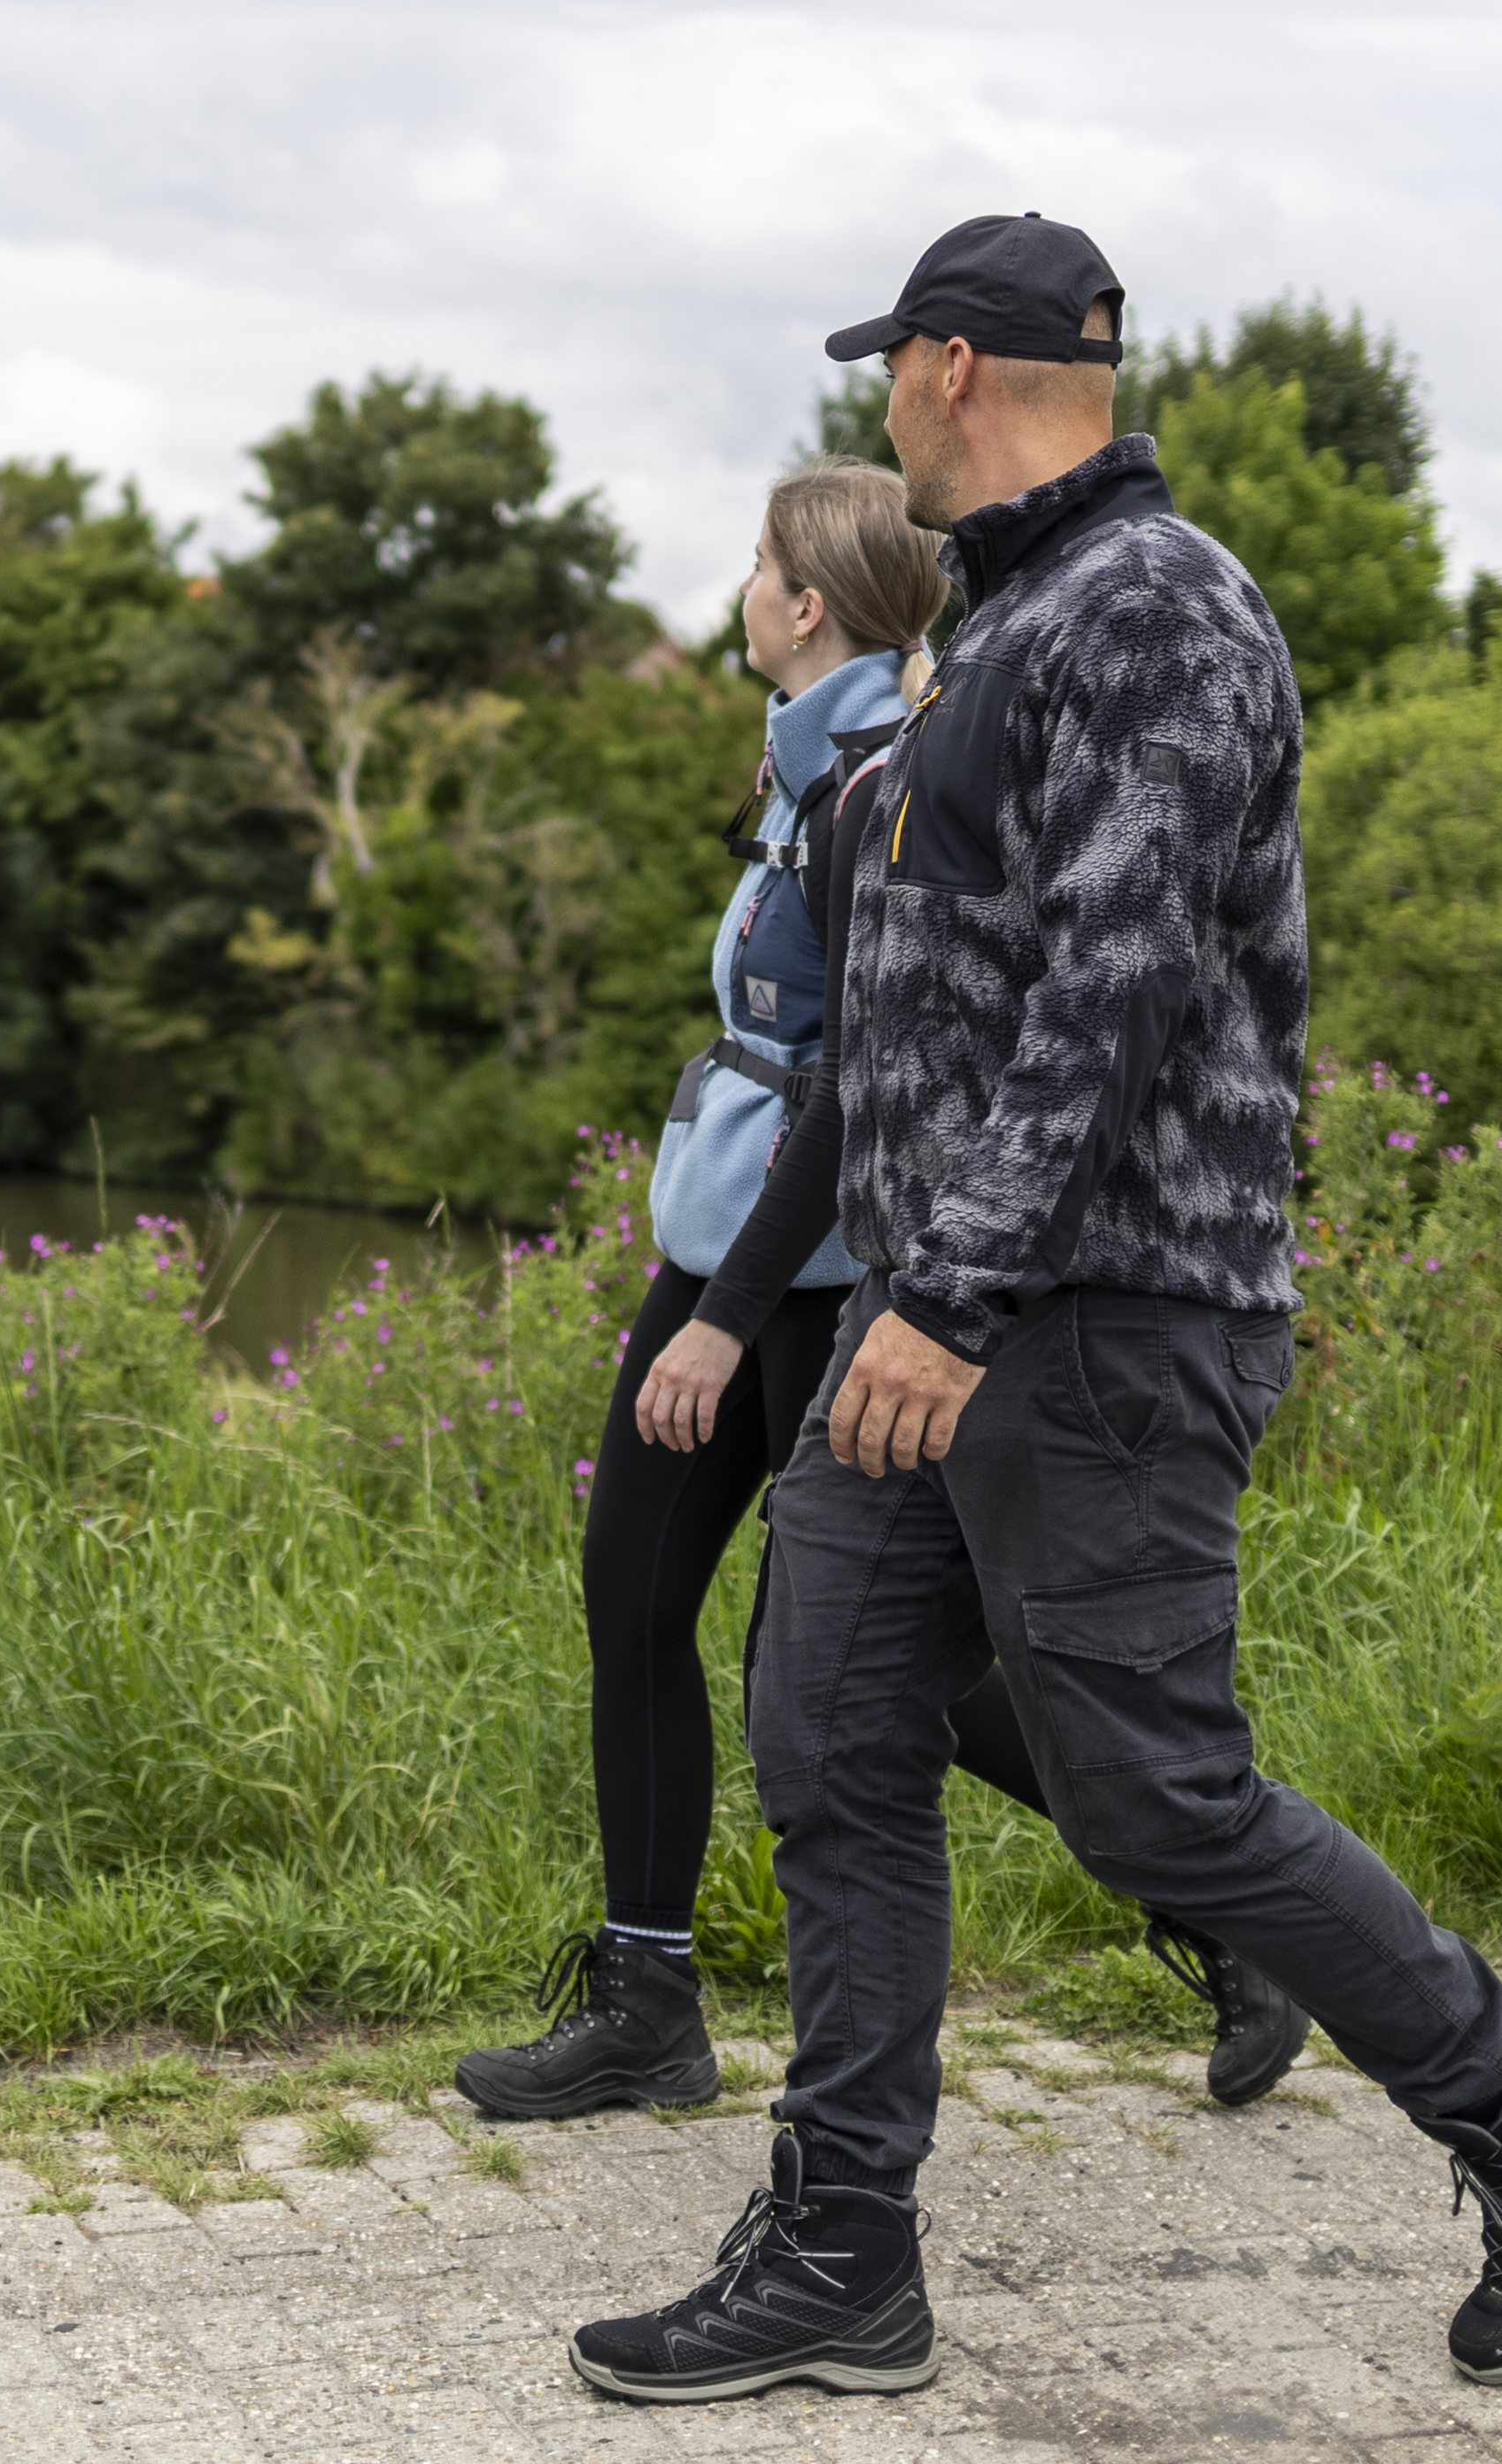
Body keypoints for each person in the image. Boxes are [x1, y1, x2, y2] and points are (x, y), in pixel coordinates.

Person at [566, 213, 1502, 2408]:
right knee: (830, 1734)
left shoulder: (1155, 610)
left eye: (892, 362)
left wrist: (953, 1294)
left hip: (1089, 1317)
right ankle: (841, 2245)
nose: (879, 397)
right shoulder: (1004, 625)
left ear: (955, 371)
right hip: (941, 1306)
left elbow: (1117, 983)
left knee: (1154, 1790)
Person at [457, 468, 1303, 2125]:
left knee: (858, 1667)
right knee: (638, 1590)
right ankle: (646, 1996)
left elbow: (858, 1081)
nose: (742, 584)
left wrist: (726, 1310)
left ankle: (1215, 1895)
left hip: (821, 1266)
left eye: (760, 562)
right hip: (730, 1237)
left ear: (810, 604)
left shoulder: (875, 777)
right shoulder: (794, 770)